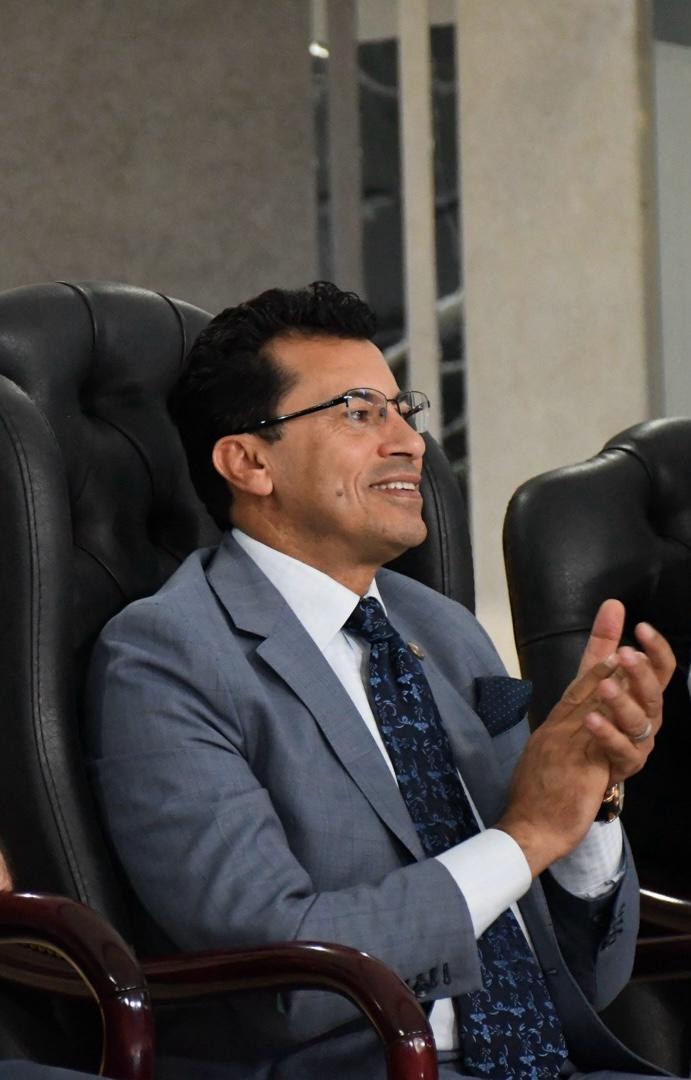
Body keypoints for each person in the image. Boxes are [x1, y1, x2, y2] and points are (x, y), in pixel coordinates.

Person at [84, 282, 675, 1080]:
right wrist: (526, 835)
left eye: (404, 410)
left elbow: (589, 976)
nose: (409, 443)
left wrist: (587, 804)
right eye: (360, 413)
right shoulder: (167, 656)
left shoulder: (445, 630)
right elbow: (282, 967)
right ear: (249, 461)